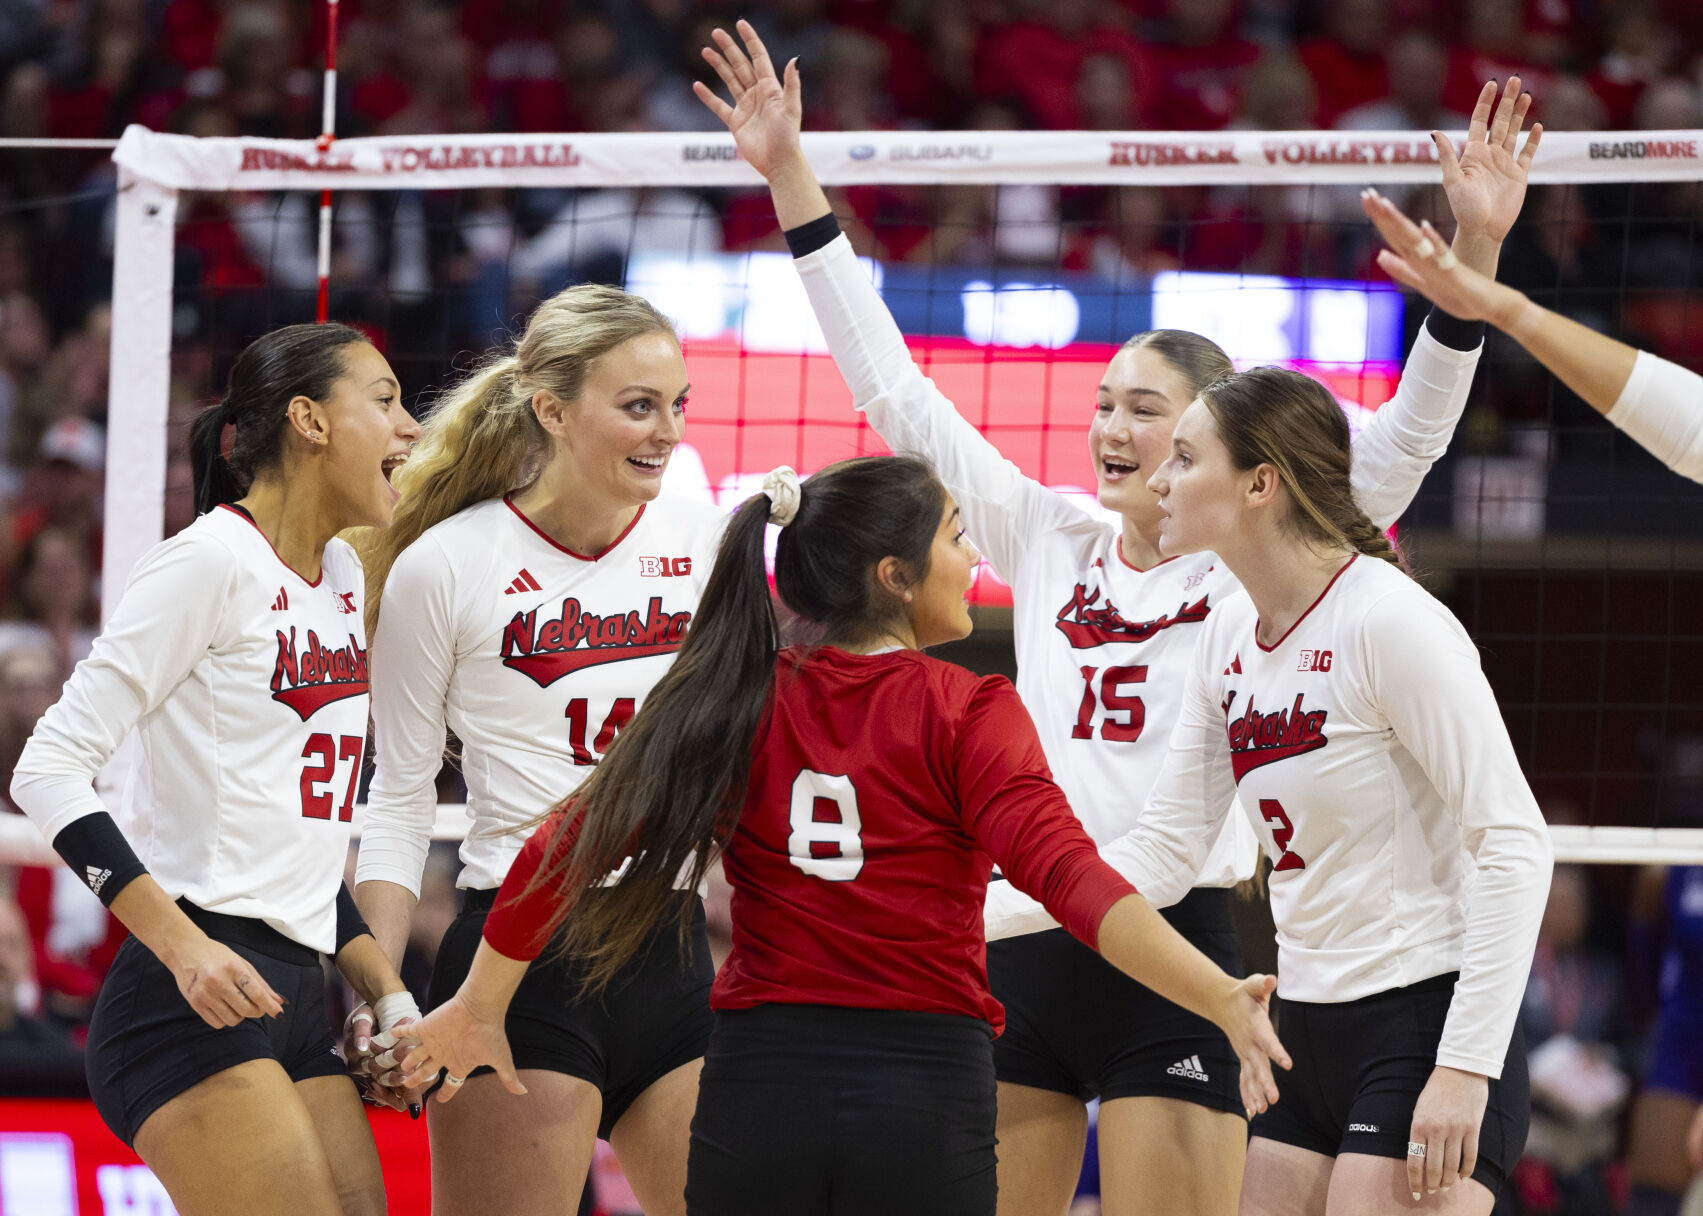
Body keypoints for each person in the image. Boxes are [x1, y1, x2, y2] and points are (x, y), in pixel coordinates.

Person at [693, 20, 1540, 1216]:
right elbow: (893, 390)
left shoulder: (1253, 572)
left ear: (1222, 449)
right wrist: (792, 180)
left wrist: (1471, 259)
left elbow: (1407, 435)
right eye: (1101, 402)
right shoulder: (1048, 531)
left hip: (1180, 939)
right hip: (1032, 928)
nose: (1108, 429)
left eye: (1145, 411)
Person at [393, 454, 1291, 1216]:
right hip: (920, 1085)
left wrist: (477, 1003)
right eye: (952, 536)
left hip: (758, 1078)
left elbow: (560, 849)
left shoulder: (729, 700)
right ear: (893, 577)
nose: (972, 554)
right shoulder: (969, 708)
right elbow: (1071, 880)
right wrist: (1213, 993)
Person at [1090, 366, 1554, 1214]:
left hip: (1421, 1026)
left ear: (1260, 483)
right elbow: (1163, 851)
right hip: (1300, 1026)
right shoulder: (1227, 627)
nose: (1158, 478)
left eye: (1184, 458)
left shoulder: (1388, 620)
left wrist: (1464, 1066)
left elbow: (1515, 844)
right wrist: (980, 904)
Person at [8, 322, 423, 1216]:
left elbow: (298, 861)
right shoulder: (206, 561)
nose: (411, 429)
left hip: (295, 995)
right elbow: (45, 769)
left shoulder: (344, 575)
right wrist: (185, 948)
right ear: (309, 421)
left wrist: (389, 1000)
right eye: (386, 402)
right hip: (182, 999)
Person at [352, 284, 723, 1216]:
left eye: (678, 404)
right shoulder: (447, 562)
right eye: (638, 406)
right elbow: (398, 799)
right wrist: (383, 992)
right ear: (551, 410)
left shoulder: (706, 543)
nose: (666, 431)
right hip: (517, 973)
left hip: (673, 949)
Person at [1362, 189, 1703, 484]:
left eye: (1450, 223)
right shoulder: (1517, 264)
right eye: (1436, 223)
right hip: (1482, 367)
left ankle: (1583, 448)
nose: (1444, 231)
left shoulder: (1595, 262)